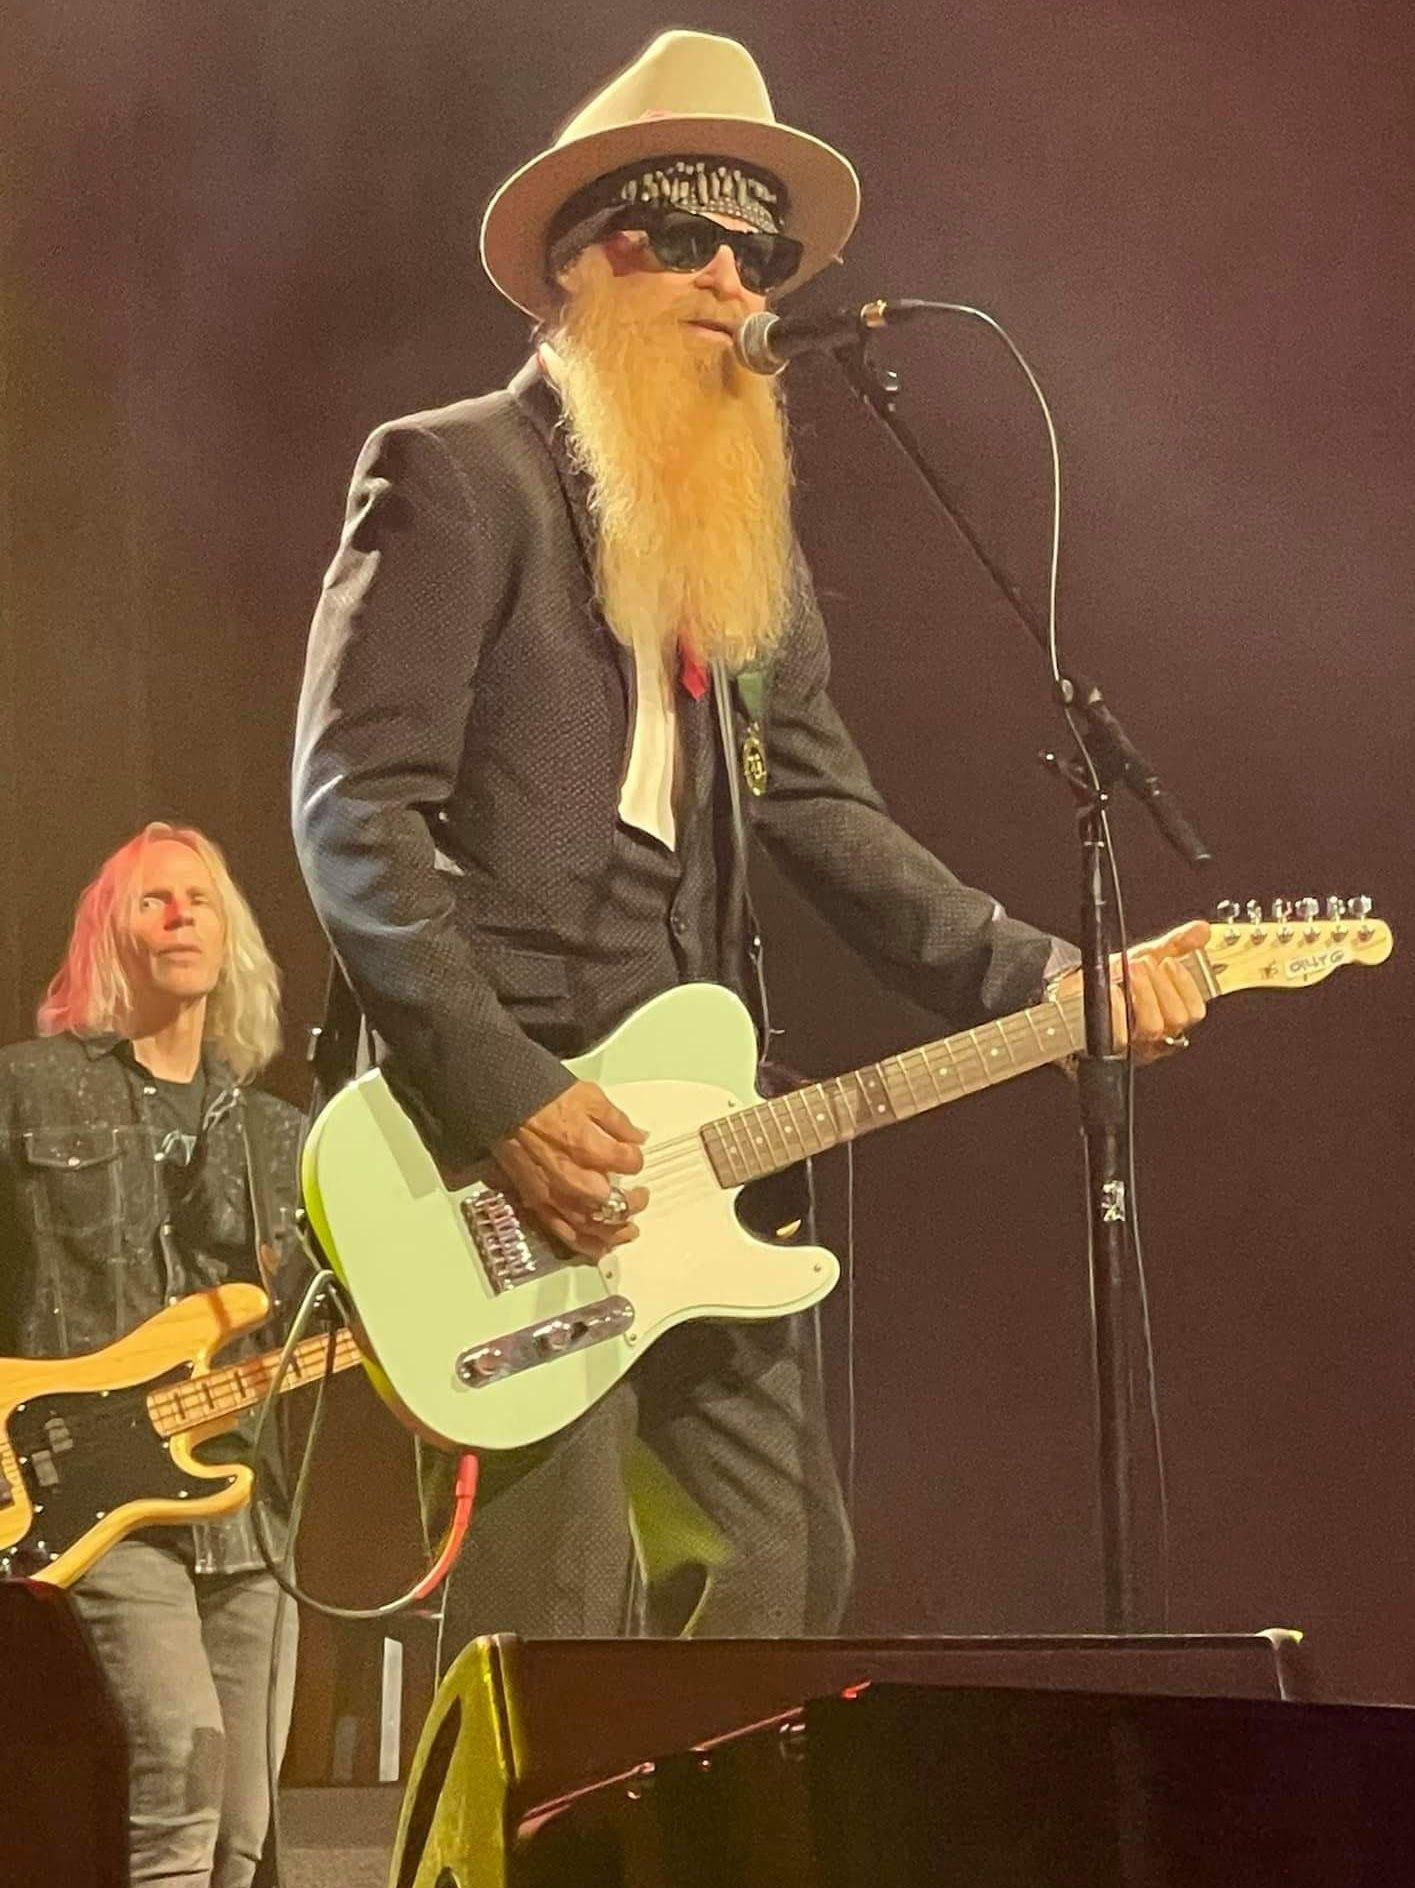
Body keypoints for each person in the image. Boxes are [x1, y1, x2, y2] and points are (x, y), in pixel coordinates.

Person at [292, 30, 1207, 1642]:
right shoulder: (452, 474)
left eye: (757, 251)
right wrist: (502, 1095)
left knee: (779, 1573)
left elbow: (827, 817)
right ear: (581, 261)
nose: (733, 281)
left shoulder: (732, 542)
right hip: (509, 1135)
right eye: (686, 238)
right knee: (553, 1615)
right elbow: (351, 811)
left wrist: (1054, 982)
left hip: (702, 1144)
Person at [0, 822, 305, 1888]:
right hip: (93, 1484)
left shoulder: (278, 1135)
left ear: (231, 939)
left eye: (201, 898)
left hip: (243, 1504)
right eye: (152, 899)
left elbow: (310, 1312)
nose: (181, 914)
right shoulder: (27, 1089)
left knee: (244, 1821)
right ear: (106, 934)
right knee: (183, 1769)